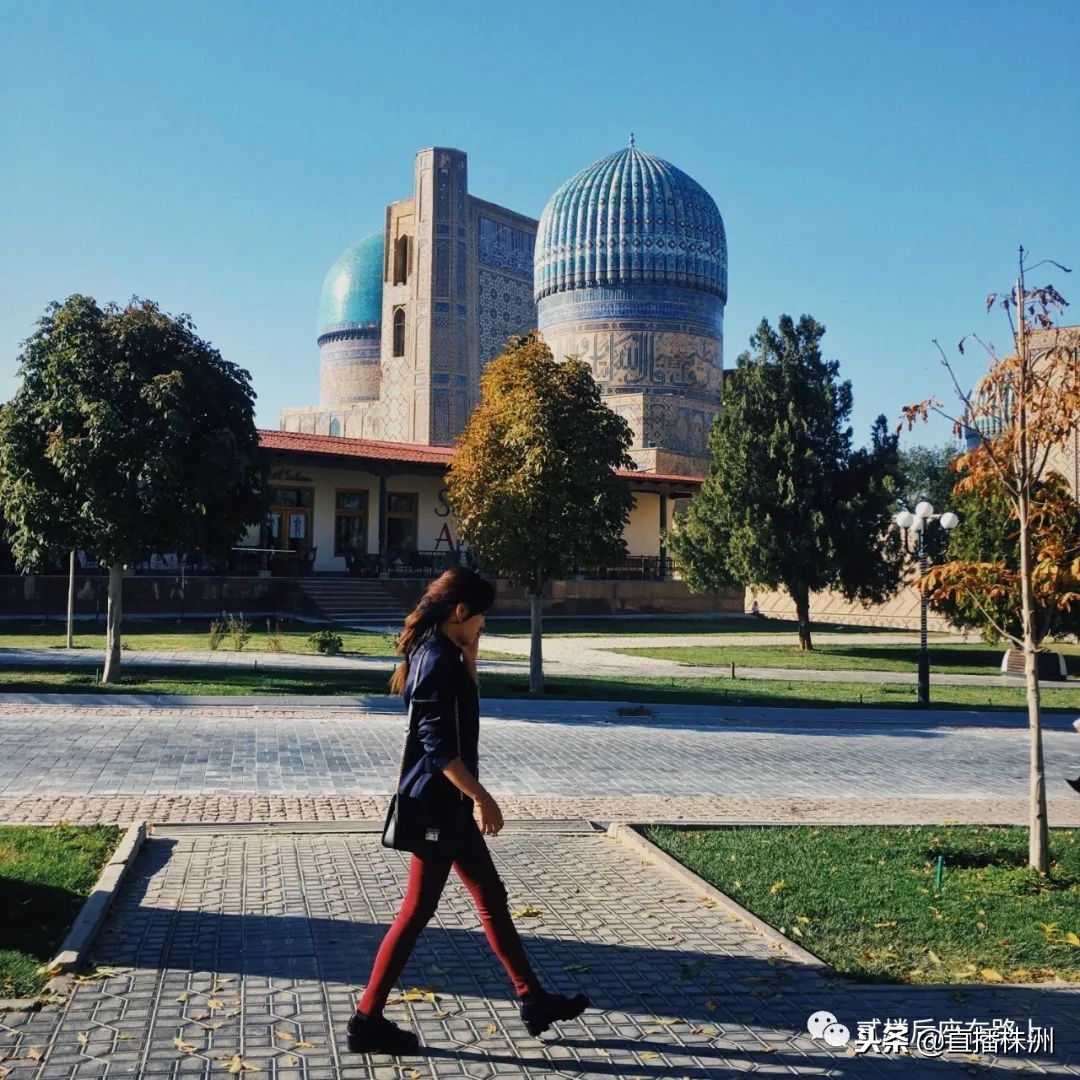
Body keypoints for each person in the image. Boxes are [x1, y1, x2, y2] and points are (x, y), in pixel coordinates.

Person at [346, 567, 589, 1055]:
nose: (483, 626)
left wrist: (472, 660)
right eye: (480, 619)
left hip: (449, 809)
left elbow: (460, 716)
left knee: (490, 898)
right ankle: (365, 1019)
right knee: (416, 912)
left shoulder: (443, 654)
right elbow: (438, 749)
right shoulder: (435, 659)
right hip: (440, 808)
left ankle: (533, 999)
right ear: (461, 612)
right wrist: (483, 797)